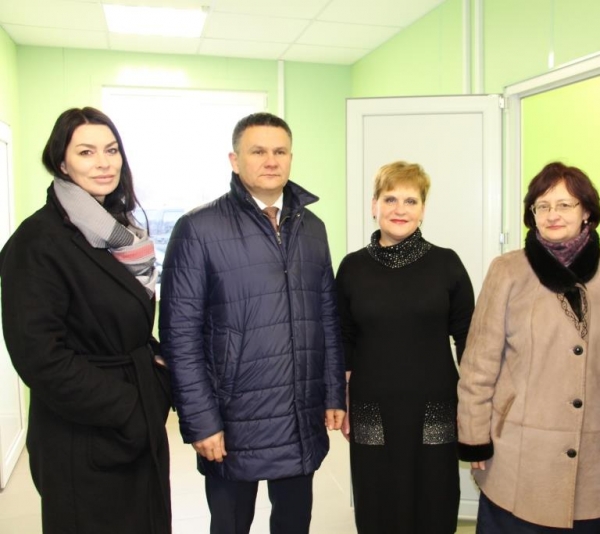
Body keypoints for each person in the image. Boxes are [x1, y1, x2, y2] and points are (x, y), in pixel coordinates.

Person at [159, 112, 346, 534]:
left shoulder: (312, 228)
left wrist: (333, 392)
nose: (271, 160)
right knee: (230, 526)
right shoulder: (198, 229)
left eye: (280, 151)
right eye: (258, 151)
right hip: (232, 423)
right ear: (234, 159)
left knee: (294, 523)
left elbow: (327, 319)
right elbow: (179, 337)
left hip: (299, 416)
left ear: (291, 158)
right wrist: (201, 421)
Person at [0, 107, 171, 533]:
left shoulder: (117, 231)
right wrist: (127, 408)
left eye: (111, 150)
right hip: (83, 432)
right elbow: (39, 357)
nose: (103, 163)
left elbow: (122, 319)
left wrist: (156, 375)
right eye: (86, 152)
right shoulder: (38, 241)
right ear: (62, 163)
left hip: (132, 414)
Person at [457, 162, 600, 533]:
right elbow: (478, 363)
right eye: (543, 206)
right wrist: (474, 436)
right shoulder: (508, 270)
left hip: (592, 458)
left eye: (565, 205)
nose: (553, 214)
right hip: (518, 455)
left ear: (587, 212)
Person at [335, 161, 475, 534]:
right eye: (390, 199)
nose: (400, 209)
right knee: (377, 498)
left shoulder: (446, 264)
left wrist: (473, 404)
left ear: (423, 209)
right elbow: (343, 338)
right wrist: (342, 397)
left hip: (436, 404)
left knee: (434, 498)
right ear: (374, 205)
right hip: (370, 405)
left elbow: (468, 339)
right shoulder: (352, 268)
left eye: (410, 201)